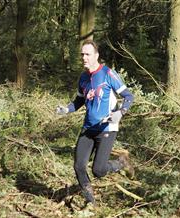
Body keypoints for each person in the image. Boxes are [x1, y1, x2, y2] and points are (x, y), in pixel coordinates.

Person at [56, 40, 134, 206]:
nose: (84, 57)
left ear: (96, 56)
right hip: (88, 129)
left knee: (98, 171)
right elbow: (78, 101)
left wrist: (120, 112)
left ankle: (121, 162)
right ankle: (91, 202)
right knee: (79, 166)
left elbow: (128, 96)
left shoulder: (107, 74)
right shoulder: (83, 77)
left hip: (107, 128)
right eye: (82, 54)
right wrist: (66, 109)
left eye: (88, 54)